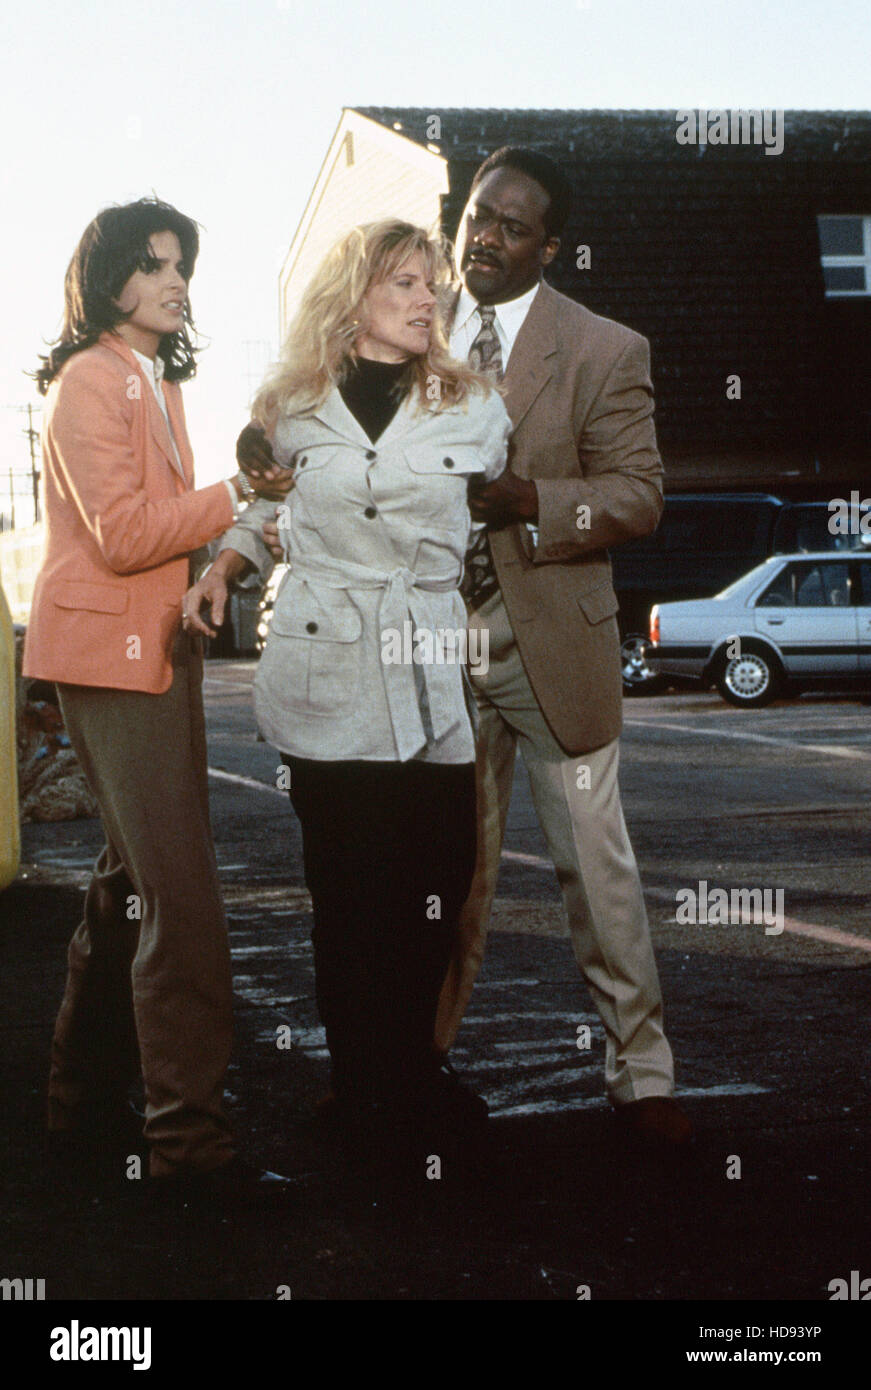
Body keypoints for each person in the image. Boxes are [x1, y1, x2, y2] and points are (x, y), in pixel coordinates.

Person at [185, 220, 511, 1184]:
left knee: (434, 891)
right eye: (404, 282)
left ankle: (409, 1073)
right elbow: (261, 500)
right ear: (353, 296)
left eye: (433, 284)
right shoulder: (287, 404)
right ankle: (370, 1096)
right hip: (325, 679)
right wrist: (228, 564)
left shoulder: (473, 405)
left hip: (427, 681)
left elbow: (496, 504)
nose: (427, 300)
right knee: (349, 902)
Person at [24, 197, 295, 1200]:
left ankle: (78, 1102)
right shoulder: (92, 382)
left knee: (126, 880)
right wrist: (239, 489)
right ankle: (189, 1146)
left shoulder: (151, 382)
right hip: (106, 658)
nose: (178, 282)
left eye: (183, 264)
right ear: (109, 284)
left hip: (150, 653)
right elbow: (129, 535)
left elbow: (153, 545)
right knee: (179, 900)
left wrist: (206, 563)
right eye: (155, 265)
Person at [433, 146, 693, 1147]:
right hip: (434, 651)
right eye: (476, 214)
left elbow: (639, 493)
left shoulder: (602, 348)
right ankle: (416, 1061)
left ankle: (642, 1076)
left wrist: (535, 501)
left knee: (597, 865)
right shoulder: (417, 332)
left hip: (553, 643)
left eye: (510, 225)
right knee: (448, 868)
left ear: (549, 246)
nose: (484, 236)